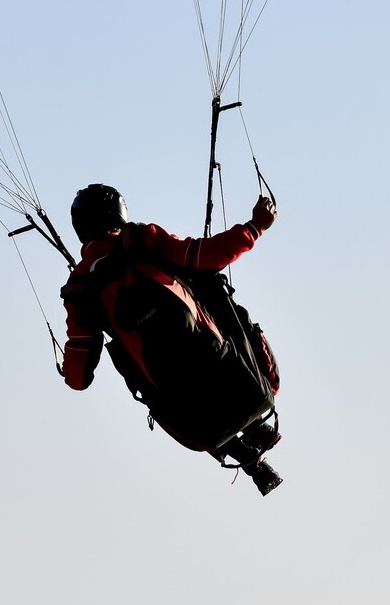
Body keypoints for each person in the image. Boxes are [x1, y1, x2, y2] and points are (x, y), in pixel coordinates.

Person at [59, 183, 285, 494]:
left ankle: (246, 456)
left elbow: (78, 377)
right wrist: (255, 227)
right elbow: (206, 254)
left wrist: (66, 368)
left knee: (139, 370)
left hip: (191, 415)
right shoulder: (141, 239)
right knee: (211, 286)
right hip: (239, 377)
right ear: (119, 214)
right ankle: (259, 432)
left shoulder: (80, 288)